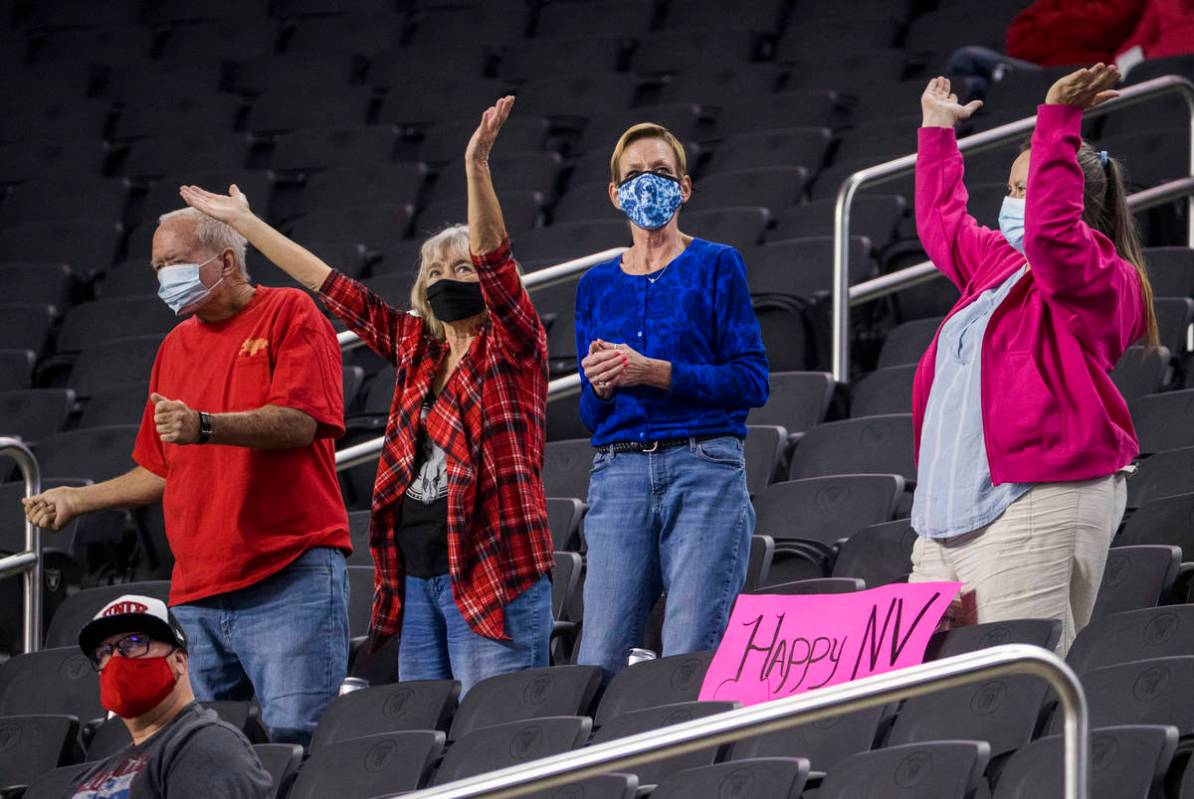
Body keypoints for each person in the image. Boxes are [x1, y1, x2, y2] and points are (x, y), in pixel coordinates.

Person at [178, 95, 554, 695]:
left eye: (460, 270)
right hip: (419, 581)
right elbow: (328, 284)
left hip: (492, 576)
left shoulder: (513, 345)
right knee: (425, 727)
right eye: (433, 271)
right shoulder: (415, 346)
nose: (444, 280)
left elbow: (496, 259)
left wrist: (476, 168)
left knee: (496, 725)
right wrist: (245, 224)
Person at [22, 208, 350, 746]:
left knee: (298, 743)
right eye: (156, 268)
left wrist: (204, 425)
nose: (162, 279)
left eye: (173, 262)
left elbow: (301, 422)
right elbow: (161, 466)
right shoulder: (174, 345)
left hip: (288, 575)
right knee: (201, 753)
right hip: (197, 590)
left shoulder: (290, 312)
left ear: (225, 260)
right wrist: (79, 501)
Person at [908, 65, 1159, 654]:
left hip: (1034, 499)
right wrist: (936, 130)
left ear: (1070, 196)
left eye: (1032, 187)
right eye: (1013, 189)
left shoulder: (1102, 277)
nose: (1016, 201)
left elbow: (1051, 237)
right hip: (944, 514)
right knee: (928, 695)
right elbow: (942, 221)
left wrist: (1058, 120)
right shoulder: (997, 265)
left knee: (1013, 692)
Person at [574, 122, 769, 678]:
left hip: (703, 465)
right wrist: (603, 385)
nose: (647, 185)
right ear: (615, 194)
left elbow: (751, 381)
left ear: (684, 187)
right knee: (599, 659)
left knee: (689, 653)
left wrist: (656, 373)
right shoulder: (595, 285)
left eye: (660, 173)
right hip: (618, 473)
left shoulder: (716, 264)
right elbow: (592, 416)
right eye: (633, 176)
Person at [68, 594, 271, 798]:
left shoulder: (207, 747)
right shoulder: (95, 774)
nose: (115, 660)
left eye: (134, 642)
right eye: (104, 652)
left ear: (179, 661)